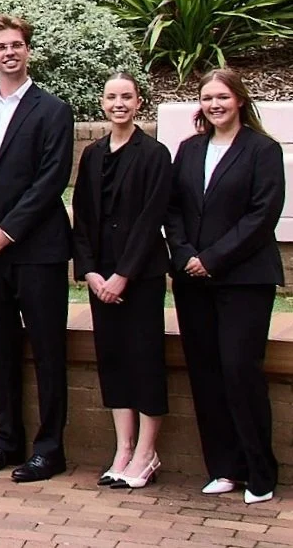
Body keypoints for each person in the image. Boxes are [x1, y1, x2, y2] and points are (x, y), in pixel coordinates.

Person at [0, 14, 74, 483]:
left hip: (37, 250)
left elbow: (52, 180)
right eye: (1, 46)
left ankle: (50, 448)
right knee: (0, 350)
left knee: (48, 350)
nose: (9, 53)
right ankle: (7, 442)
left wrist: (9, 229)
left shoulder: (53, 110)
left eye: (17, 45)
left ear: (28, 52)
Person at [166, 68, 284, 505]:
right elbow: (173, 207)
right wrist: (183, 255)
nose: (214, 104)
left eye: (222, 96)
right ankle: (224, 468)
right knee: (206, 372)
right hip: (192, 280)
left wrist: (210, 258)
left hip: (245, 278)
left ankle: (259, 472)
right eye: (207, 97)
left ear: (239, 100)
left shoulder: (263, 150)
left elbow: (261, 215)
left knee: (239, 370)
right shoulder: (190, 149)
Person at [71, 71, 171, 490]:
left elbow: (152, 219)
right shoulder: (92, 155)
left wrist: (122, 275)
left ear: (139, 102)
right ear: (102, 103)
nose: (119, 104)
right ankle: (123, 449)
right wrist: (92, 272)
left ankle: (147, 454)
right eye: (112, 97)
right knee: (113, 361)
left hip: (139, 277)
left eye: (126, 97)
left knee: (145, 360)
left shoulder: (155, 154)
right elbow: (83, 217)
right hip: (100, 281)